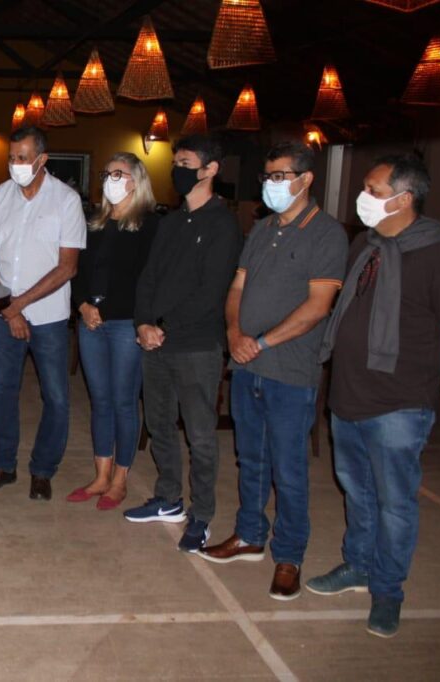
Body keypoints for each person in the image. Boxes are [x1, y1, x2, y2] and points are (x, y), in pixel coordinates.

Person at [309, 154, 440, 638]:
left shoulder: (436, 253)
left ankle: (388, 590)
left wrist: (435, 375)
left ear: (404, 199)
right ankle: (359, 565)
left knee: (395, 502)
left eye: (373, 190)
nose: (362, 197)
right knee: (357, 490)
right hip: (349, 392)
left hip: (400, 401)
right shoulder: (365, 244)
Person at [198, 143, 347, 601]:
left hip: (289, 370)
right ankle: (249, 535)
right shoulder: (263, 228)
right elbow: (237, 287)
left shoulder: (326, 234)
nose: (271, 184)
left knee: (289, 468)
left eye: (280, 176)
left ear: (306, 179)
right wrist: (234, 332)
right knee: (251, 459)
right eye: (267, 176)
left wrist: (260, 342)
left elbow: (317, 307)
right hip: (247, 364)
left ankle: (289, 555)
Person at [125, 134, 243, 552]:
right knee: (159, 423)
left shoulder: (223, 224)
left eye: (186, 163)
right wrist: (143, 322)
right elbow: (148, 276)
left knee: (200, 434)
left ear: (210, 170)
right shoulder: (171, 221)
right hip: (155, 341)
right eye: (175, 162)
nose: (177, 169)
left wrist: (162, 326)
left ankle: (202, 514)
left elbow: (211, 291)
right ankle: (168, 497)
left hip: (195, 345)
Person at [0, 126, 87, 501]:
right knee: (2, 390)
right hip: (3, 314)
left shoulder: (66, 200)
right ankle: (2, 465)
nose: (16, 164)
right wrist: (9, 310)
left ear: (42, 159)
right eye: (11, 157)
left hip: (49, 316)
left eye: (23, 158)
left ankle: (43, 470)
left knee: (56, 396)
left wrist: (18, 305)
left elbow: (67, 267)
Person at [68, 152, 159, 510]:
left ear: (136, 181)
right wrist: (83, 306)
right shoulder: (94, 223)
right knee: (100, 400)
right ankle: (101, 475)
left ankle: (120, 479)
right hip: (91, 322)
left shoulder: (149, 225)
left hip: (125, 324)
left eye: (119, 174)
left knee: (124, 400)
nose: (111, 180)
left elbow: (149, 279)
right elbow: (75, 270)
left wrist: (140, 319)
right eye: (107, 174)